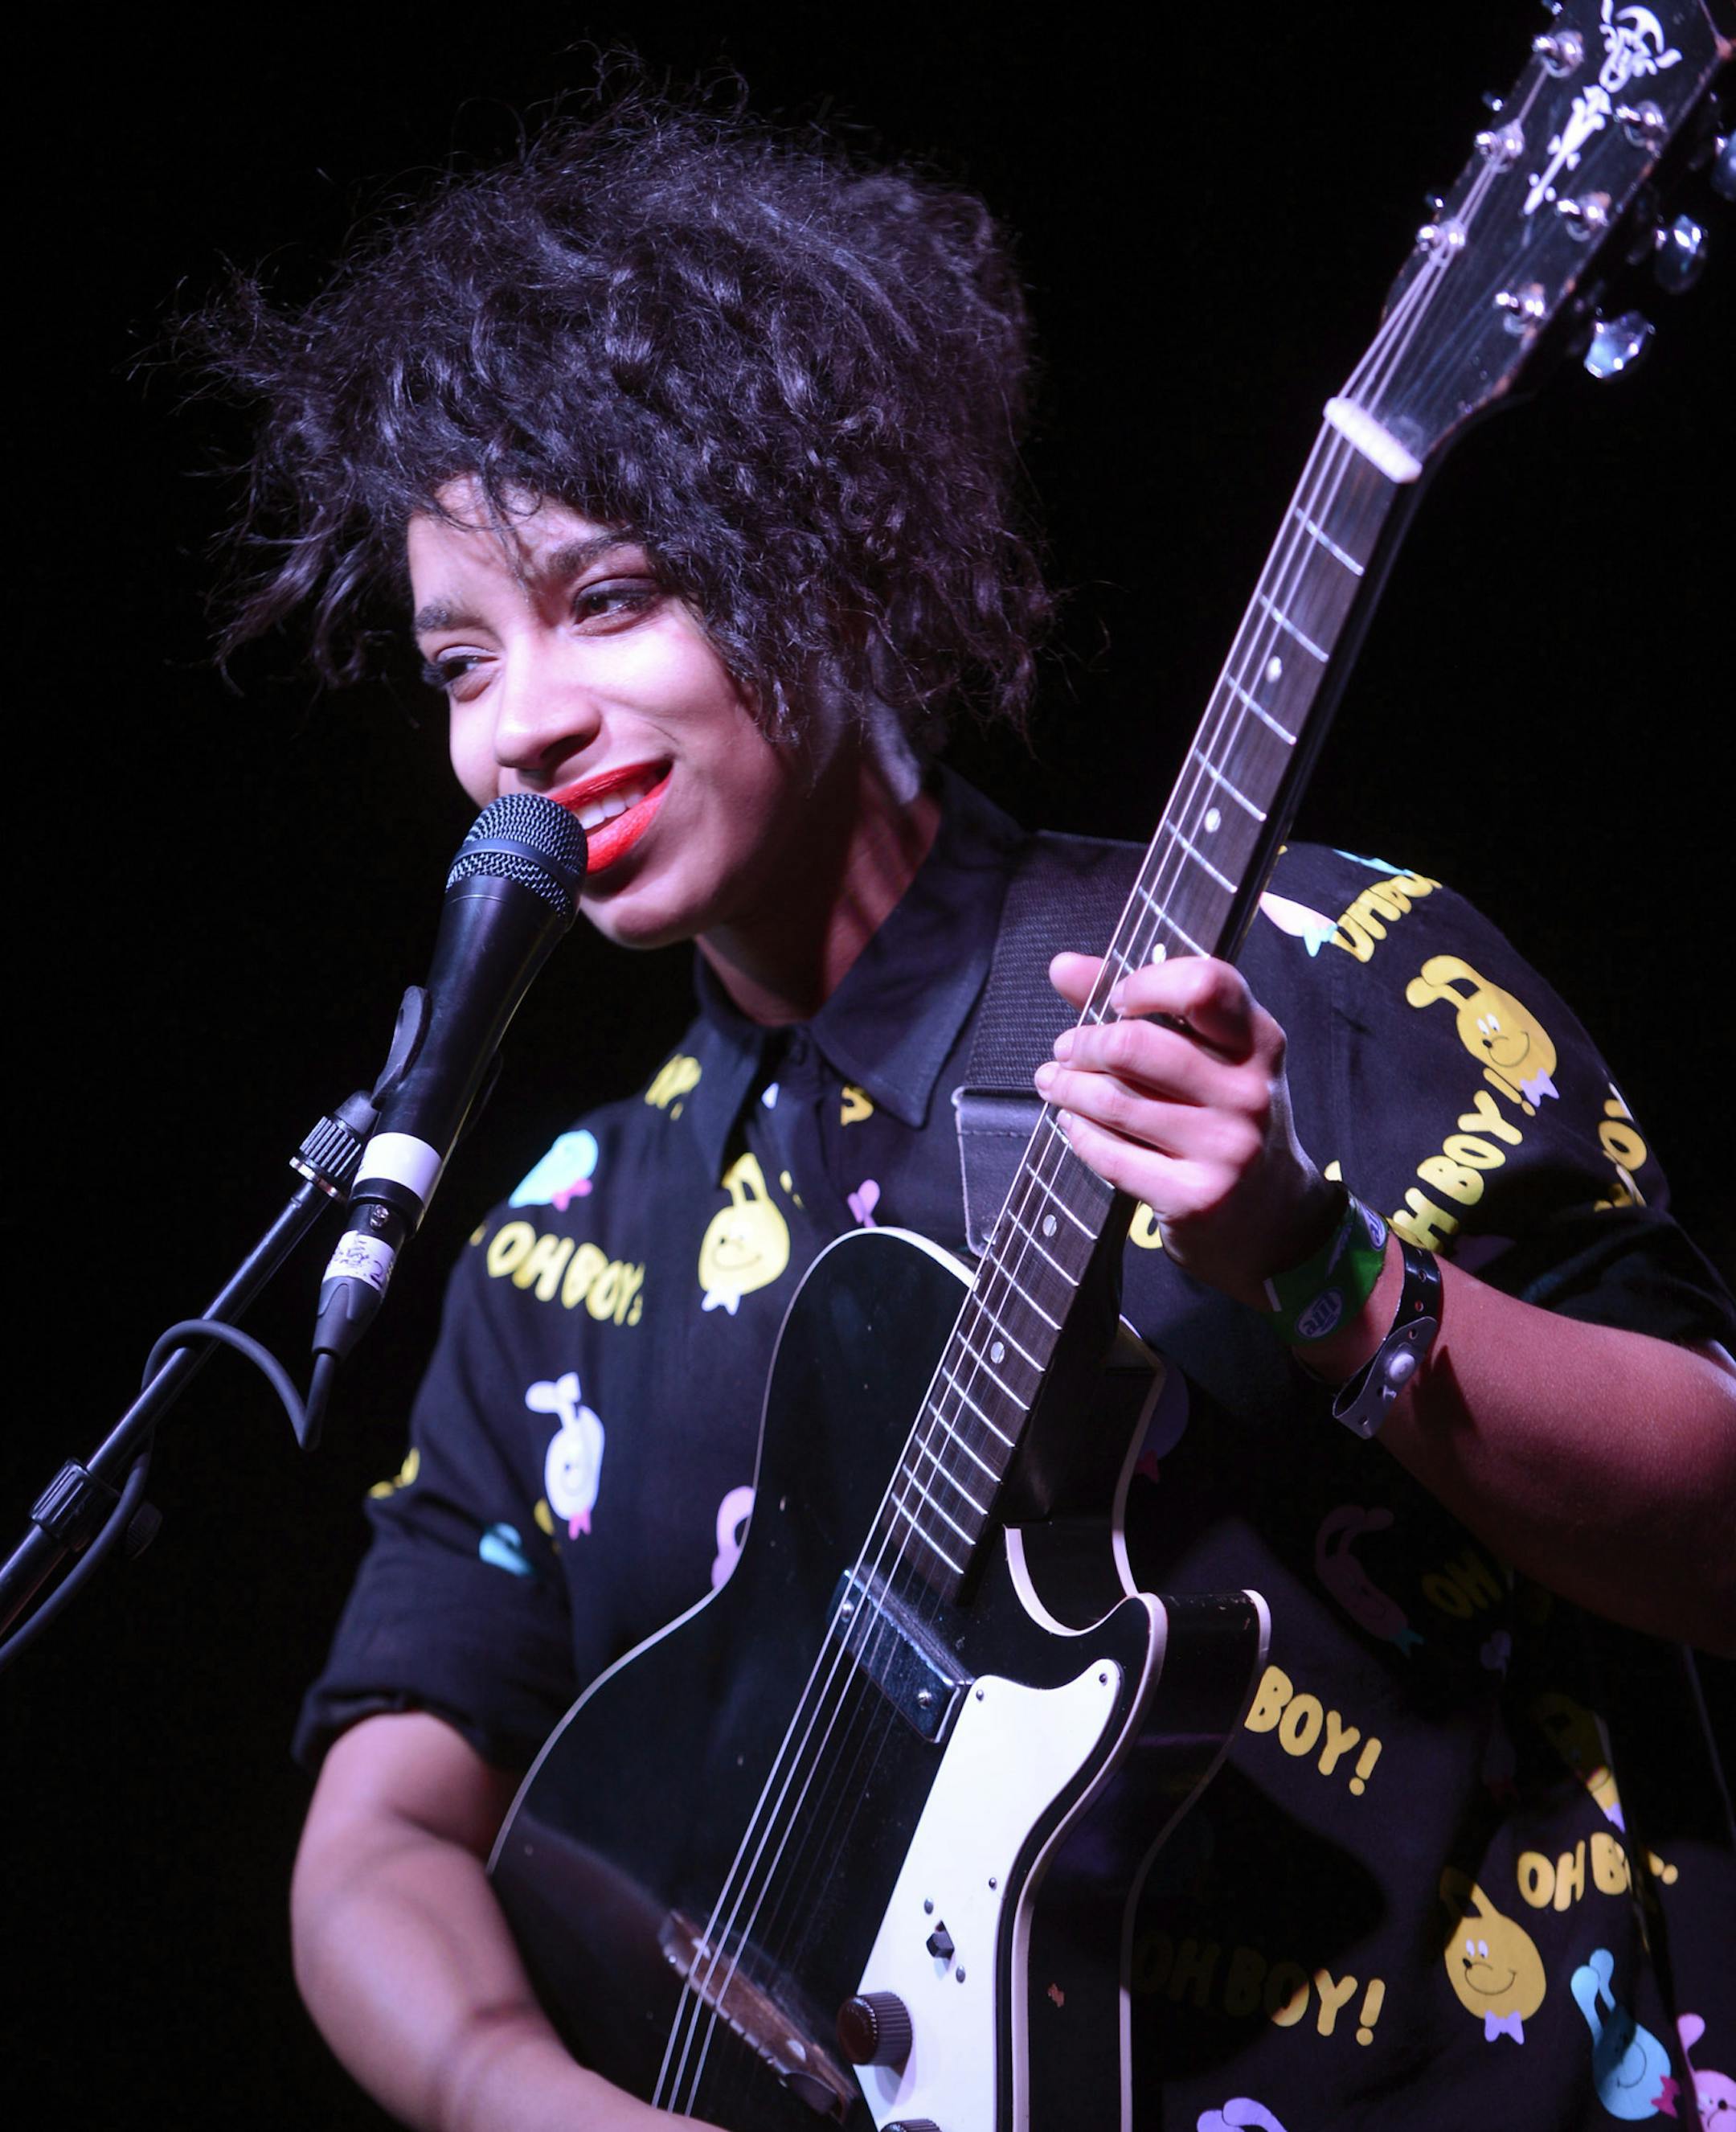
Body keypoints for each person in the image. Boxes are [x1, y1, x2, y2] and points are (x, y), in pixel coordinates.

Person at [195, 87, 1736, 2132]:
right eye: (461, 658)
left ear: (827, 560)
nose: (520, 726)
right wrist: (507, 2090)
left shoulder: (1321, 970)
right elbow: (382, 1817)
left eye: (613, 596)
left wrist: (1327, 1274)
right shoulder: (568, 1234)